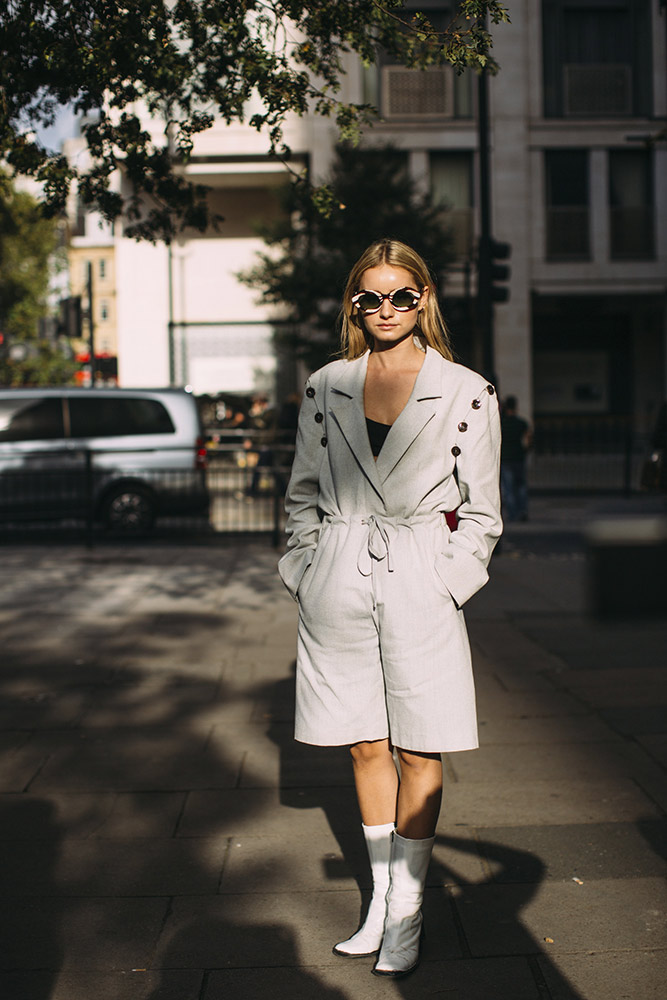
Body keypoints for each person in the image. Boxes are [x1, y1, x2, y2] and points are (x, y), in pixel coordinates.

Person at [278, 239, 502, 978]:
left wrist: (448, 579)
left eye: (400, 295)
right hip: (338, 575)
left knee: (419, 746)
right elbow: (302, 496)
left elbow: (483, 514)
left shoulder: (467, 390)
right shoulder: (327, 385)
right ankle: (378, 899)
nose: (384, 309)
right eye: (368, 297)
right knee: (362, 744)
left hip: (419, 579)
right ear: (352, 304)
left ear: (424, 298)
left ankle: (406, 906)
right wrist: (306, 570)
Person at [500, 395, 531, 521]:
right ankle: (522, 510)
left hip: (506, 458)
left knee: (509, 488)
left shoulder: (502, 424)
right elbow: (528, 439)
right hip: (519, 457)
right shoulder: (521, 423)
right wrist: (525, 450)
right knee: (521, 486)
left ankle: (512, 513)